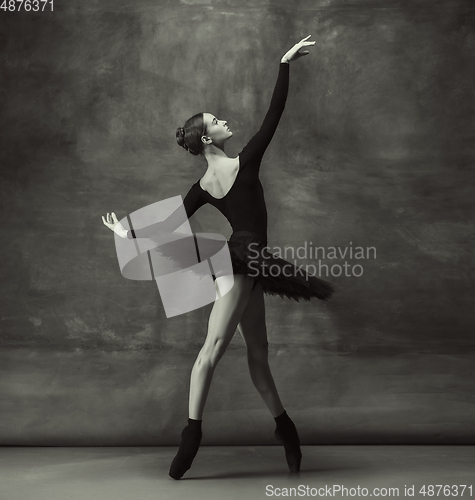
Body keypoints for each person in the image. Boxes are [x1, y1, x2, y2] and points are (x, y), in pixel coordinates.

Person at [102, 35, 335, 479]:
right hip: (238, 262)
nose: (226, 120)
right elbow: (274, 114)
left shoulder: (212, 181)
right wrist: (125, 230)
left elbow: (170, 220)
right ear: (207, 136)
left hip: (252, 263)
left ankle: (286, 431)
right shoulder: (239, 165)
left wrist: (127, 229)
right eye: (217, 119)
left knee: (259, 354)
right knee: (211, 350)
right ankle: (191, 436)